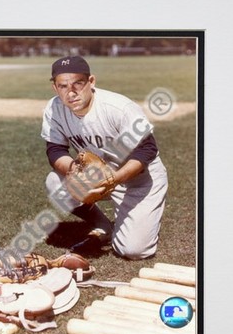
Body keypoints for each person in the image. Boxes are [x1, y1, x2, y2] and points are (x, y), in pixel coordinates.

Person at [41, 56, 168, 260]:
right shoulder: (54, 108)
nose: (71, 92)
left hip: (138, 182)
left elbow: (147, 149)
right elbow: (55, 149)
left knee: (133, 250)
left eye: (78, 84)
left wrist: (114, 179)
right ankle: (102, 224)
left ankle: (134, 219)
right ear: (55, 88)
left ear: (91, 82)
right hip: (96, 177)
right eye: (63, 86)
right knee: (55, 182)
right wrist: (73, 168)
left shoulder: (117, 107)